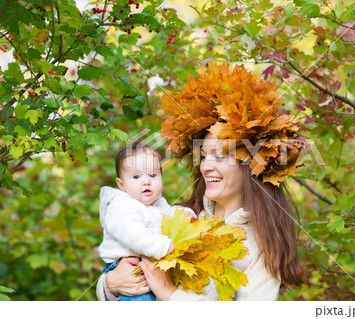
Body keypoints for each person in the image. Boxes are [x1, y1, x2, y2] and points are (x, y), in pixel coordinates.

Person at [96, 60, 309, 301]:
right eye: (204, 156)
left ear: (252, 163)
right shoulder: (181, 215)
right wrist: (109, 285)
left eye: (219, 156)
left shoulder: (262, 245)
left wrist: (169, 293)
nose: (206, 166)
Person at [98, 143, 194, 301]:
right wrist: (160, 245)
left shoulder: (158, 203)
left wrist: (184, 216)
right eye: (136, 177)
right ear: (121, 184)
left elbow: (170, 216)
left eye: (153, 175)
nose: (146, 182)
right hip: (128, 267)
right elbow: (133, 232)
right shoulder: (121, 205)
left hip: (149, 265)